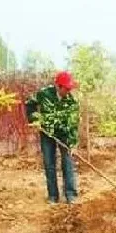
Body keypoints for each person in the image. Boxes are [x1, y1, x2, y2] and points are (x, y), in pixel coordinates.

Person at [25, 71, 80, 205]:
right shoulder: (44, 93)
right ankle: (53, 196)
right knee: (49, 164)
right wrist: (34, 119)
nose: (68, 91)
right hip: (47, 134)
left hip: (64, 135)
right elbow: (29, 103)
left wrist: (73, 143)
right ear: (58, 86)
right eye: (66, 88)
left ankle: (71, 195)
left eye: (69, 88)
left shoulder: (72, 101)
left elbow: (73, 124)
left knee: (67, 163)